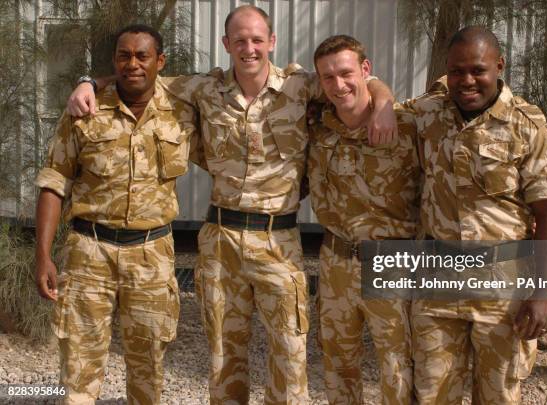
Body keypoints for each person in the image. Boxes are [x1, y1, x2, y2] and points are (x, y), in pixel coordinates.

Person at [65, 5, 397, 404]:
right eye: (239, 40)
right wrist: (87, 82)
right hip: (221, 241)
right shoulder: (204, 89)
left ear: (271, 42)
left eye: (257, 39)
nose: (249, 48)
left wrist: (384, 104)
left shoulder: (300, 86)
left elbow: (361, 78)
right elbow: (138, 78)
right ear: (226, 44)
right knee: (224, 357)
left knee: (289, 357)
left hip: (279, 241)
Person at [404, 26, 547, 404]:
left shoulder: (526, 126)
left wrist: (544, 293)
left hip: (503, 287)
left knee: (497, 395)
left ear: (499, 66)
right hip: (437, 285)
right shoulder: (426, 115)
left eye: (477, 70)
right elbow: (373, 112)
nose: (466, 80)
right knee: (430, 394)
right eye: (457, 71)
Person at [35, 24, 199, 404]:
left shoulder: (183, 108)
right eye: (123, 56)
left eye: (142, 56)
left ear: (161, 62)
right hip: (89, 252)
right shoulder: (85, 110)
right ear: (114, 61)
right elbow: (54, 180)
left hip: (151, 255)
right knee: (78, 368)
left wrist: (88, 78)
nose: (132, 64)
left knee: (148, 372)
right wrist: (42, 254)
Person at [308, 35, 419, 404]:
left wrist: (384, 100)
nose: (338, 85)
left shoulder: (406, 127)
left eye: (346, 73)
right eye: (328, 77)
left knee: (398, 367)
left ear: (366, 70)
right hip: (336, 261)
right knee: (338, 364)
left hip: (392, 263)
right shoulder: (318, 127)